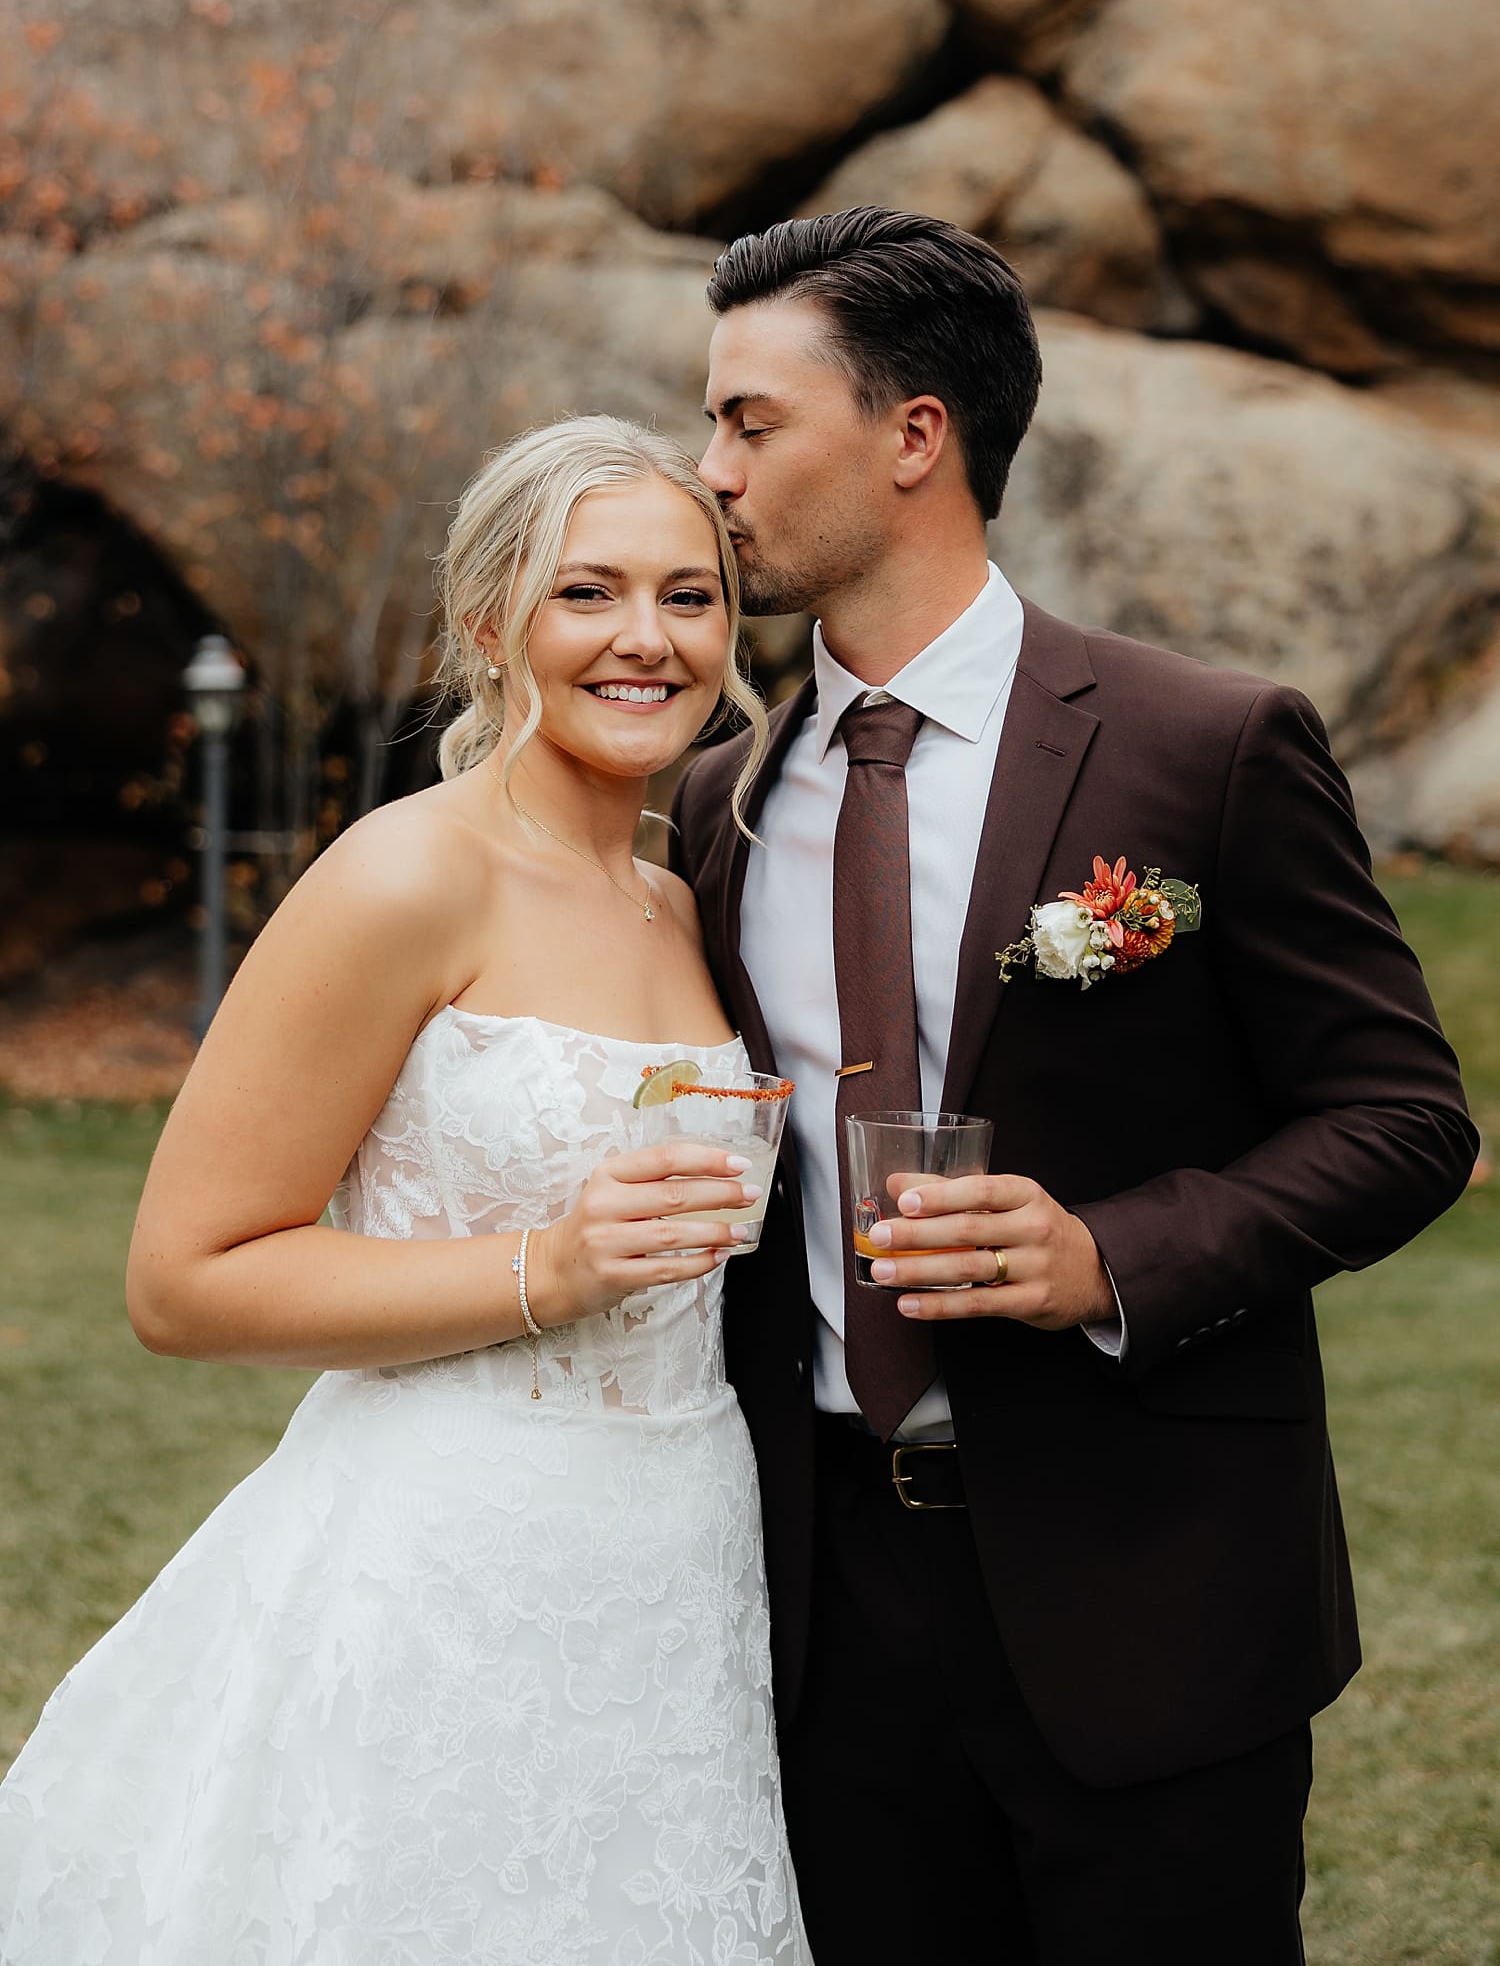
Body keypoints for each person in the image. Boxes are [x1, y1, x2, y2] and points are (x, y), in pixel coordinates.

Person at [673, 207, 1479, 1966]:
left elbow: (1406, 1120)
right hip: (820, 1609)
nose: (710, 471)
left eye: (750, 420)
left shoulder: (1208, 745)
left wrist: (1108, 1256)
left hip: (1155, 1586)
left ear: (914, 435)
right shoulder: (713, 801)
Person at [0, 417, 813, 1966]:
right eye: (588, 591)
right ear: (491, 622)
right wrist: (547, 1268)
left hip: (677, 1552)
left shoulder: (683, 897)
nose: (647, 638)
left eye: (689, 595)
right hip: (445, 1559)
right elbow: (184, 1277)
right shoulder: (402, 876)